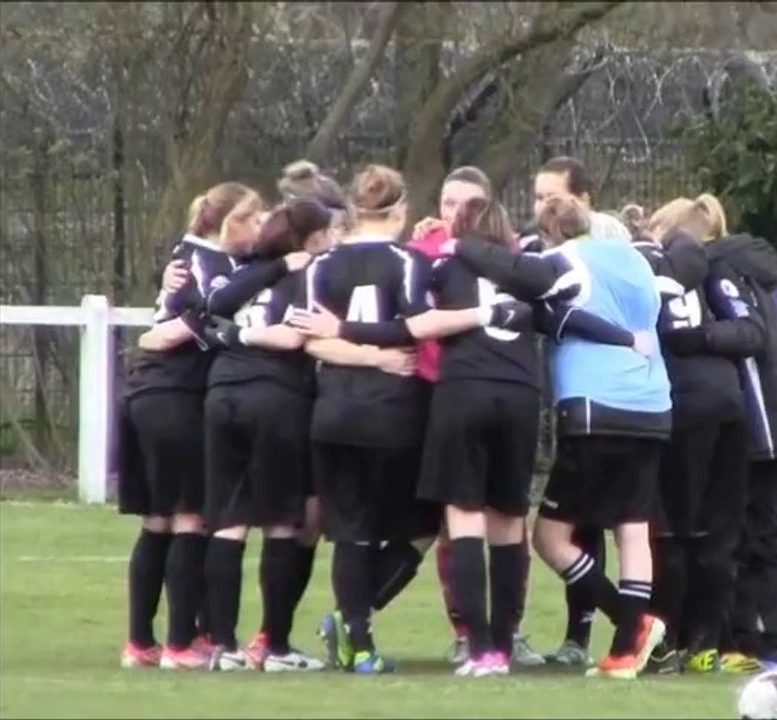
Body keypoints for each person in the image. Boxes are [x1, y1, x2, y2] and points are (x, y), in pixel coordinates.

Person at [285, 164, 523, 674]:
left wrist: (352, 346)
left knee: (349, 529)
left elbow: (314, 340)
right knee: (422, 524)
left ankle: (359, 641)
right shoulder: (410, 262)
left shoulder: (320, 266)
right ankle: (358, 621)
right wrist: (381, 357)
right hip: (395, 412)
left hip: (334, 411)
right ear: (400, 211)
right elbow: (417, 326)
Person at [451, 195, 670, 679]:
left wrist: (460, 243)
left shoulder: (566, 261)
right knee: (633, 528)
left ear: (550, 233)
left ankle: (629, 623)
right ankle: (624, 652)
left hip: (596, 404)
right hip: (653, 402)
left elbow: (512, 272)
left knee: (551, 536)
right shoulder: (635, 258)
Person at [118, 182, 265, 670]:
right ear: (230, 223)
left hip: (149, 393)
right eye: (254, 217)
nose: (261, 225)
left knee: (158, 520)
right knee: (189, 516)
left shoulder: (193, 258)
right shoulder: (207, 263)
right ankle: (182, 645)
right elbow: (196, 318)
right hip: (174, 395)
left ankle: (141, 643)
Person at [188, 200, 336, 672]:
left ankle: (224, 646)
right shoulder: (310, 273)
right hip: (276, 398)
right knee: (279, 523)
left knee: (228, 522)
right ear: (312, 239)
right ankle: (274, 647)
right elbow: (295, 338)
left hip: (223, 393)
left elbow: (211, 315)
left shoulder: (242, 270)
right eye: (327, 234)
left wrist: (235, 337)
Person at [413, 167, 547, 669]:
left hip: (463, 389)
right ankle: (507, 644)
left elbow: (416, 318)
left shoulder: (443, 266)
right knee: (509, 520)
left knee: (464, 516)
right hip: (519, 394)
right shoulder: (527, 266)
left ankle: (480, 645)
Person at [630, 197, 766, 676]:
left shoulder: (650, 270)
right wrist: (710, 338)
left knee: (675, 530)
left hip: (683, 407)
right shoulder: (713, 271)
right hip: (728, 403)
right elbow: (751, 331)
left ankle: (675, 640)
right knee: (719, 530)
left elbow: (750, 331)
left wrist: (691, 342)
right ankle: (709, 640)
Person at [701, 194, 777, 673]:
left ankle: (748, 642)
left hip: (751, 424)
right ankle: (775, 647)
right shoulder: (773, 280)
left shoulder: (717, 275)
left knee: (739, 535)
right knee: (769, 535)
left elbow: (746, 336)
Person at [526, 156, 628, 667]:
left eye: (552, 197)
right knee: (559, 524)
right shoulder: (537, 248)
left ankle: (595, 633)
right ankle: (583, 636)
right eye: (537, 196)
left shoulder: (606, 246)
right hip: (549, 400)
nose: (541, 206)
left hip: (592, 401)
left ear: (582, 200)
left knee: (578, 523)